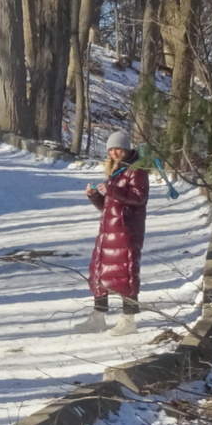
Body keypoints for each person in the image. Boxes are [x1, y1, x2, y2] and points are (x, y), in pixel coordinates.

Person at [79, 133, 149, 335]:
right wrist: (95, 197)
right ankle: (98, 316)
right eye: (110, 149)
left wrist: (111, 189)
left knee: (125, 274)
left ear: (126, 149)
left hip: (126, 230)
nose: (114, 153)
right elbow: (109, 206)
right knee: (99, 273)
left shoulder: (136, 170)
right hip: (108, 231)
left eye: (118, 148)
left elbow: (139, 197)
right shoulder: (117, 171)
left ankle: (128, 320)